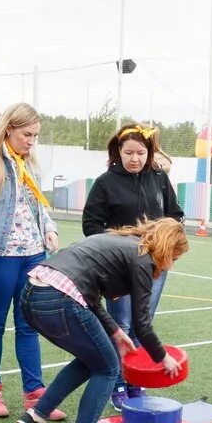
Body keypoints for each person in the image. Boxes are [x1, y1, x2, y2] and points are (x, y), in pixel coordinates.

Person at [15, 219, 187, 423]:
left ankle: (37, 416)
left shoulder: (120, 242)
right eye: (175, 257)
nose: (171, 264)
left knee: (92, 359)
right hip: (59, 298)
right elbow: (142, 323)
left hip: (33, 295)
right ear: (166, 248)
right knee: (109, 368)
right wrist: (162, 357)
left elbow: (91, 296)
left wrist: (115, 331)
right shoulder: (143, 258)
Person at [0, 103, 63, 420]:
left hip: (33, 255)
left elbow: (38, 205)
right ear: (8, 129)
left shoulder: (31, 164)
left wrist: (49, 229)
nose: (32, 141)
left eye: (35, 135)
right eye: (27, 134)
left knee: (29, 326)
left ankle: (35, 394)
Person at [81, 123, 184, 408]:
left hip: (155, 265)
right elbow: (90, 225)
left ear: (149, 153)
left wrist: (170, 238)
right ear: (118, 152)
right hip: (120, 270)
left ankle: (136, 382)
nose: (134, 159)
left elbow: (175, 214)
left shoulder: (160, 178)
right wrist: (117, 245)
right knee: (123, 326)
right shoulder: (105, 182)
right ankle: (118, 385)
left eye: (140, 153)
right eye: (128, 153)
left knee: (143, 325)